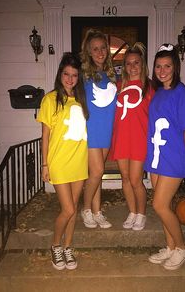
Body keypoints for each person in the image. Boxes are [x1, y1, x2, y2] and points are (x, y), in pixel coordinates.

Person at [144, 43, 185, 270]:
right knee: (162, 206)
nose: (162, 70)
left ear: (175, 68)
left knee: (160, 205)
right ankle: (171, 247)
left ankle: (183, 247)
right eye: (158, 66)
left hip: (173, 158)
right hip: (156, 157)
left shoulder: (182, 93)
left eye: (167, 66)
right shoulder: (158, 93)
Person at [37, 52, 88, 270]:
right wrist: (45, 164)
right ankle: (56, 245)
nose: (70, 79)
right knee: (67, 209)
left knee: (74, 208)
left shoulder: (81, 99)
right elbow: (45, 135)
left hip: (79, 160)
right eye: (66, 74)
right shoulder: (50, 99)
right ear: (60, 74)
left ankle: (68, 247)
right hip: (58, 161)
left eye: (74, 75)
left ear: (78, 77)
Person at [110, 42, 154, 231]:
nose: (132, 67)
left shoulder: (150, 87)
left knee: (136, 180)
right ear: (124, 66)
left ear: (142, 65)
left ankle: (142, 213)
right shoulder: (118, 86)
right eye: (128, 63)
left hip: (138, 139)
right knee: (125, 178)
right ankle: (132, 212)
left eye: (136, 63)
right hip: (121, 139)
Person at [80, 29, 117, 229]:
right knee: (97, 172)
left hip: (106, 130)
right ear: (89, 51)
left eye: (103, 48)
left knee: (97, 174)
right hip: (91, 129)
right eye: (95, 49)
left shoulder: (110, 74)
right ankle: (86, 209)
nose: (100, 52)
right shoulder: (84, 74)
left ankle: (97, 212)